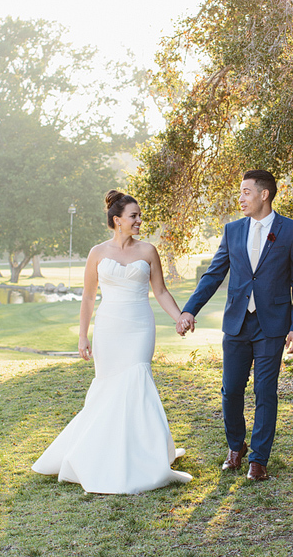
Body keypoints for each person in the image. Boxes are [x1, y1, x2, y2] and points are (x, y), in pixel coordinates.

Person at [32, 190, 193, 494]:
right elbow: (89, 297)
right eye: (134, 216)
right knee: (108, 389)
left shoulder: (148, 251)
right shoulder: (97, 253)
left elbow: (160, 292)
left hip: (139, 327)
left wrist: (178, 317)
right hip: (108, 328)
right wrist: (82, 336)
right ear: (117, 220)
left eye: (139, 215)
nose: (139, 220)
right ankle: (99, 453)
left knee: (136, 381)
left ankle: (145, 454)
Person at [179, 169, 293, 481]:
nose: (240, 198)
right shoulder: (233, 230)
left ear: (264, 194)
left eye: (246, 192)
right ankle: (235, 448)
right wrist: (189, 310)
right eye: (240, 193)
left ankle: (258, 460)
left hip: (273, 325)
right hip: (236, 323)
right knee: (231, 390)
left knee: (266, 391)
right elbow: (213, 275)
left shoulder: (291, 231)